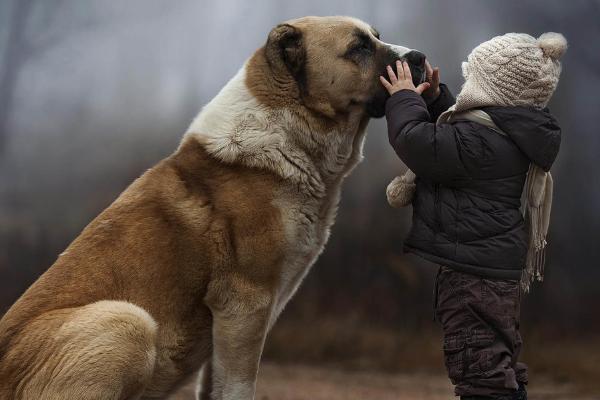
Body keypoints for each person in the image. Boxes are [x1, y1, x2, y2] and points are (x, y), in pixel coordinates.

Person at [379, 32, 567, 400]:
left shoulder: (482, 145)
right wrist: (435, 100)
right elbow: (461, 139)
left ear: (491, 89)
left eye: (473, 80)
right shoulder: (508, 135)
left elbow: (418, 142)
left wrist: (402, 98)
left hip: (472, 281)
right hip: (492, 275)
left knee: (480, 373)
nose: (467, 87)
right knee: (498, 366)